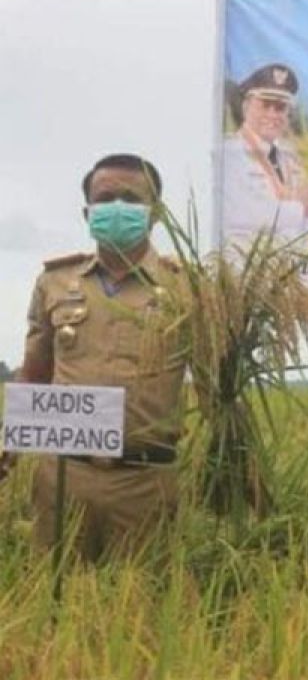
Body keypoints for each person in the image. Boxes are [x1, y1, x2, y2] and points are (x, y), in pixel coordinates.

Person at [18, 154, 187, 561]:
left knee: (140, 608)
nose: (116, 207)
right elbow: (35, 376)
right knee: (54, 605)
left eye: (130, 198)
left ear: (156, 213)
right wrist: (9, 446)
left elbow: (218, 387)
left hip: (144, 481)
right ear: (87, 211)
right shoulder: (55, 282)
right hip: (62, 477)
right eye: (105, 198)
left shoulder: (188, 289)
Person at [219, 62, 308, 238]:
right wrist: (304, 208)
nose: (273, 114)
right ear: (246, 107)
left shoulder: (289, 158)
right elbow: (245, 214)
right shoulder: (232, 153)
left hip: (291, 261)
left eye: (280, 108)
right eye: (265, 105)